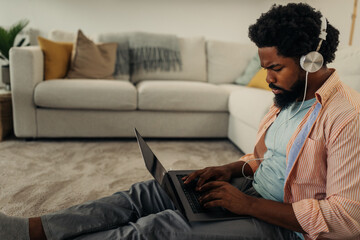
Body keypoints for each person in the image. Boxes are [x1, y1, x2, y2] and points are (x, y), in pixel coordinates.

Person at [1, 3, 359, 240]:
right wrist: (228, 169)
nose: (267, 78)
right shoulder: (287, 99)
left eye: (275, 68)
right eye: (264, 68)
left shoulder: (346, 118)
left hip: (284, 223)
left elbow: (348, 219)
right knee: (150, 192)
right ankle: (33, 230)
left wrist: (246, 205)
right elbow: (271, 160)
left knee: (160, 228)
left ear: (312, 60)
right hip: (252, 193)